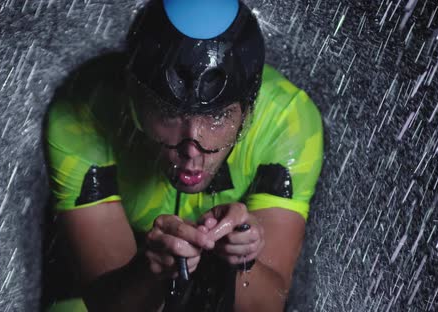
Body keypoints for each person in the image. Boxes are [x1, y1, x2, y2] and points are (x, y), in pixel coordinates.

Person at [44, 0, 324, 311]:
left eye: (217, 117)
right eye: (168, 113)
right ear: (134, 101)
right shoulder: (85, 112)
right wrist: (147, 271)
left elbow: (265, 304)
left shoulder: (288, 120)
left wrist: (241, 262)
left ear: (248, 112)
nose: (192, 150)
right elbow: (109, 304)